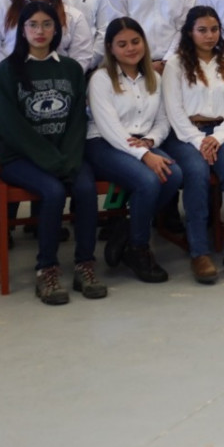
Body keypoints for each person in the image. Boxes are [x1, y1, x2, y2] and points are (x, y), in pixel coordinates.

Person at [0, 2, 106, 305]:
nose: (39, 31)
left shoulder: (70, 69)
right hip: (19, 158)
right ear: (22, 30)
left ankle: (84, 265)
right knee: (53, 192)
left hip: (65, 155)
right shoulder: (8, 70)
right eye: (32, 25)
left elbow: (77, 121)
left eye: (46, 24)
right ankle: (47, 270)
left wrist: (67, 159)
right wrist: (52, 161)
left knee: (85, 188)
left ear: (57, 30)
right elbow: (11, 127)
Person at [85, 18, 181, 283]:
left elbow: (163, 120)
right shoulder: (101, 79)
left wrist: (150, 141)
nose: (130, 48)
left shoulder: (154, 78)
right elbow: (110, 128)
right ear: (110, 48)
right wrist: (145, 156)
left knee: (174, 175)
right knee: (147, 181)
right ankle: (138, 248)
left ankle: (126, 230)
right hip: (103, 143)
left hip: (141, 142)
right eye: (122, 44)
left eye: (135, 41)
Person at [163, 6, 224, 285]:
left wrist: (217, 138)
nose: (209, 35)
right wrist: (199, 140)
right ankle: (199, 252)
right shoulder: (176, 64)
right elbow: (174, 110)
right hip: (186, 134)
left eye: (214, 30)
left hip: (222, 133)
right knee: (197, 174)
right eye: (202, 30)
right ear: (190, 32)